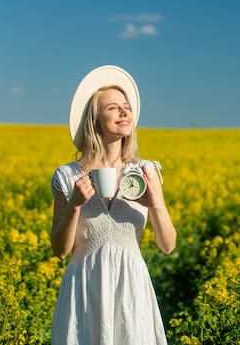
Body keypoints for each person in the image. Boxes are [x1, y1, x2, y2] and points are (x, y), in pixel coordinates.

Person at [49, 65, 176, 345]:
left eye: (126, 107)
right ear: (94, 118)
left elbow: (167, 245)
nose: (124, 112)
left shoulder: (146, 172)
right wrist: (75, 204)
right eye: (113, 108)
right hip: (84, 292)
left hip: (131, 291)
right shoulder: (67, 177)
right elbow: (60, 250)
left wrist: (155, 203)